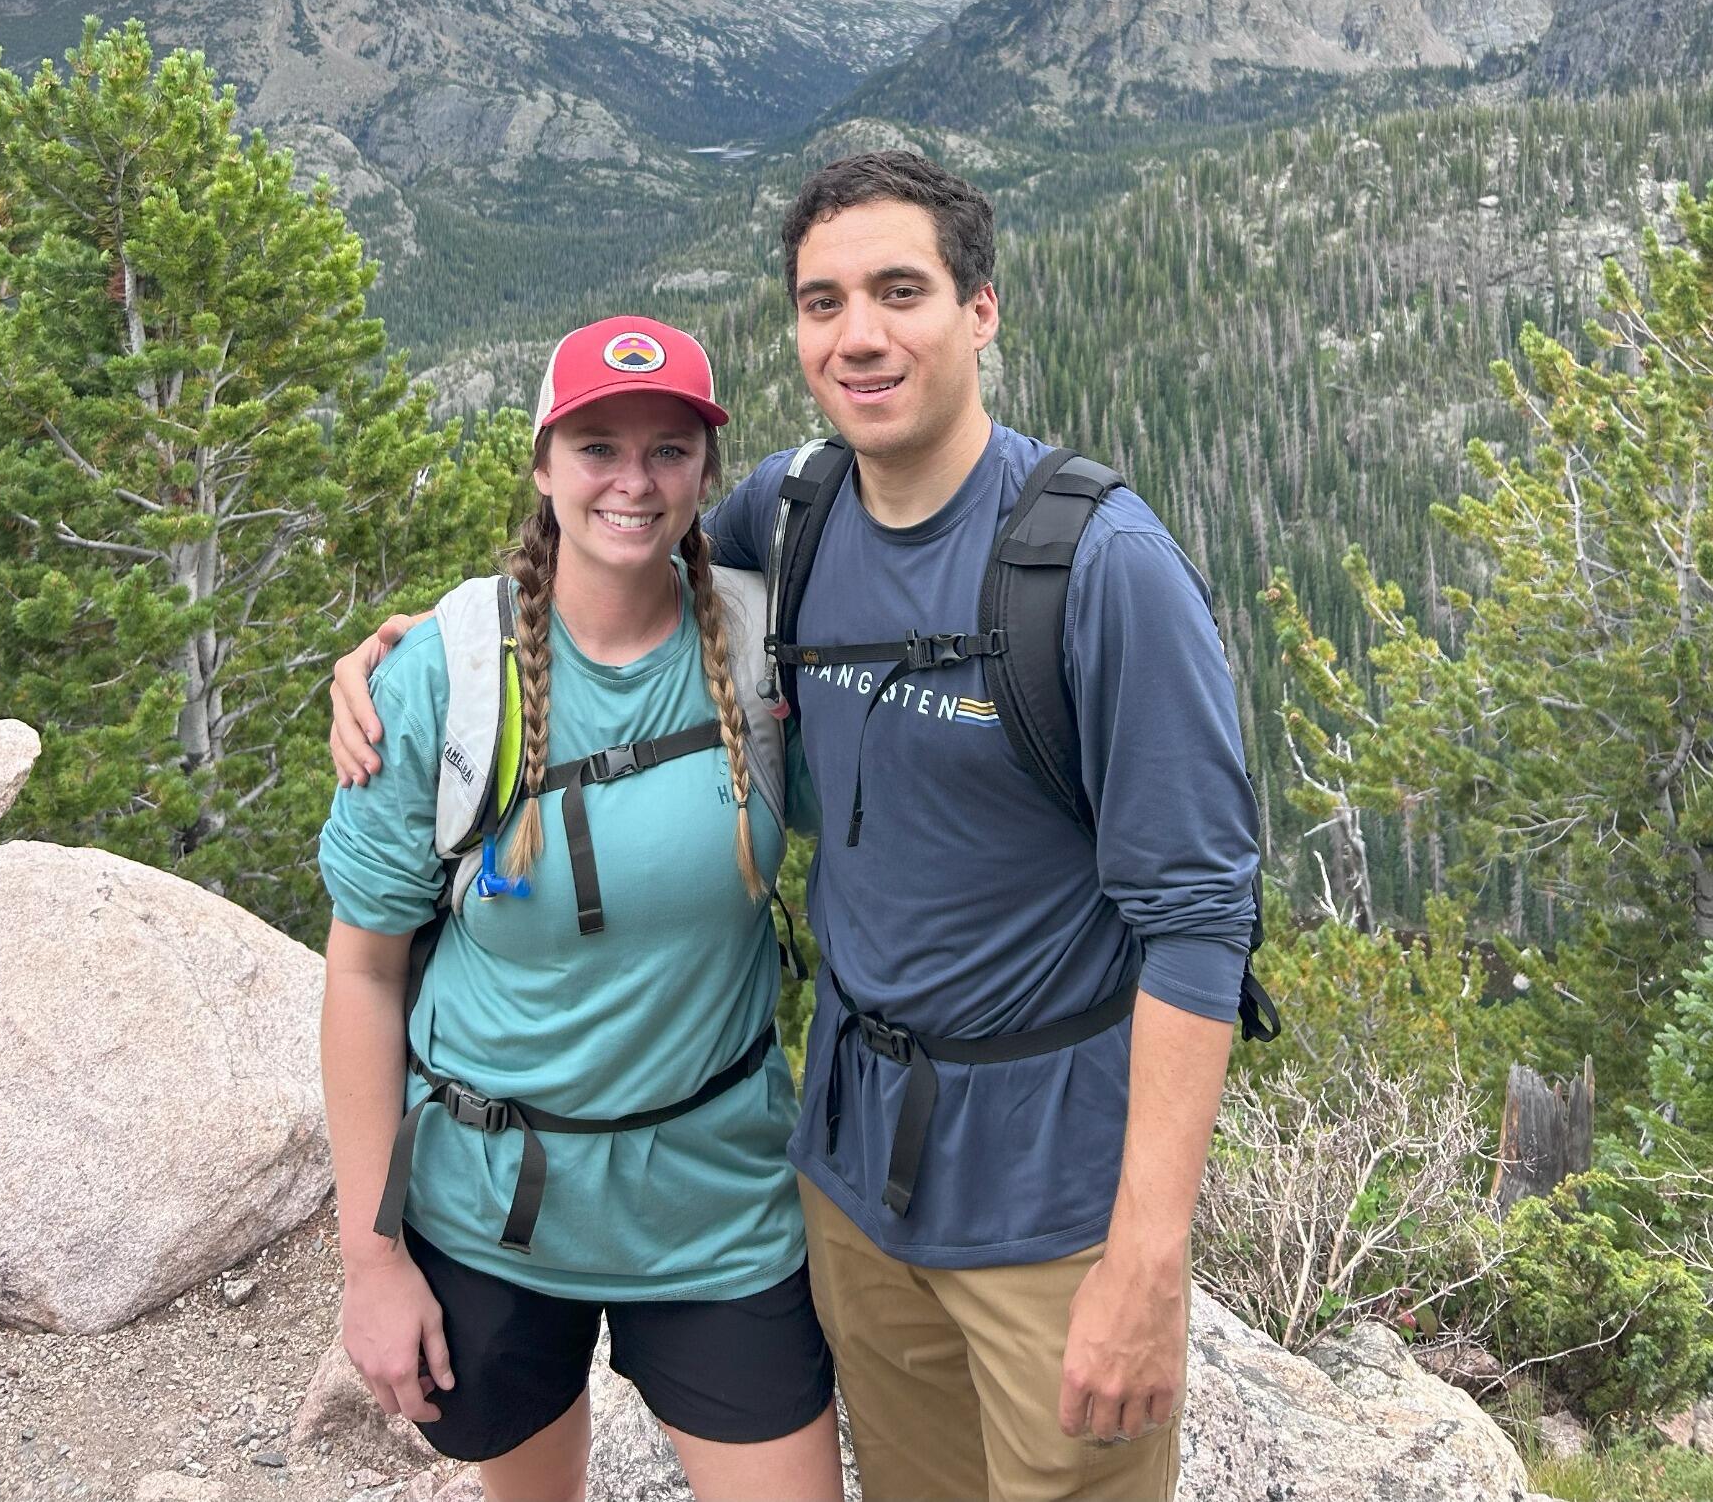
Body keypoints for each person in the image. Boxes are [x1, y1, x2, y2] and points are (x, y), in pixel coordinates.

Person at [334, 153, 1262, 1502]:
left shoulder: (1095, 565)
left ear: (980, 310)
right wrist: (411, 653)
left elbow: (1197, 919)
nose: (859, 333)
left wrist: (1147, 1257)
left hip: (1040, 1190)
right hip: (845, 1182)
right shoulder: (794, 518)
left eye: (900, 291)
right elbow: (609, 568)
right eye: (823, 301)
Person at [318, 314, 843, 1502]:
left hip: (714, 1202)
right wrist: (371, 1258)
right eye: (598, 445)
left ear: (709, 472)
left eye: (668, 449)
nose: (632, 480)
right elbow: (362, 971)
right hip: (494, 1205)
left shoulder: (764, 651)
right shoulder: (447, 677)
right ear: (545, 462)